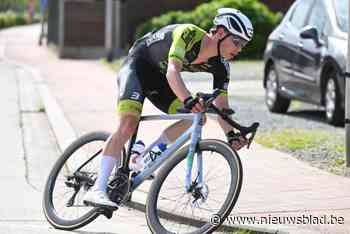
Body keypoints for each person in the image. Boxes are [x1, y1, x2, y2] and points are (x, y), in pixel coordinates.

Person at [84, 8, 254, 208]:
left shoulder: (222, 66)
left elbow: (222, 104)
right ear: (220, 33)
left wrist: (232, 135)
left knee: (198, 117)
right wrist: (188, 99)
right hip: (138, 66)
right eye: (237, 42)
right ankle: (97, 189)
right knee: (129, 123)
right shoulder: (189, 34)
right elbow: (173, 70)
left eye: (243, 44)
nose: (239, 48)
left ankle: (141, 158)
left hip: (159, 79)